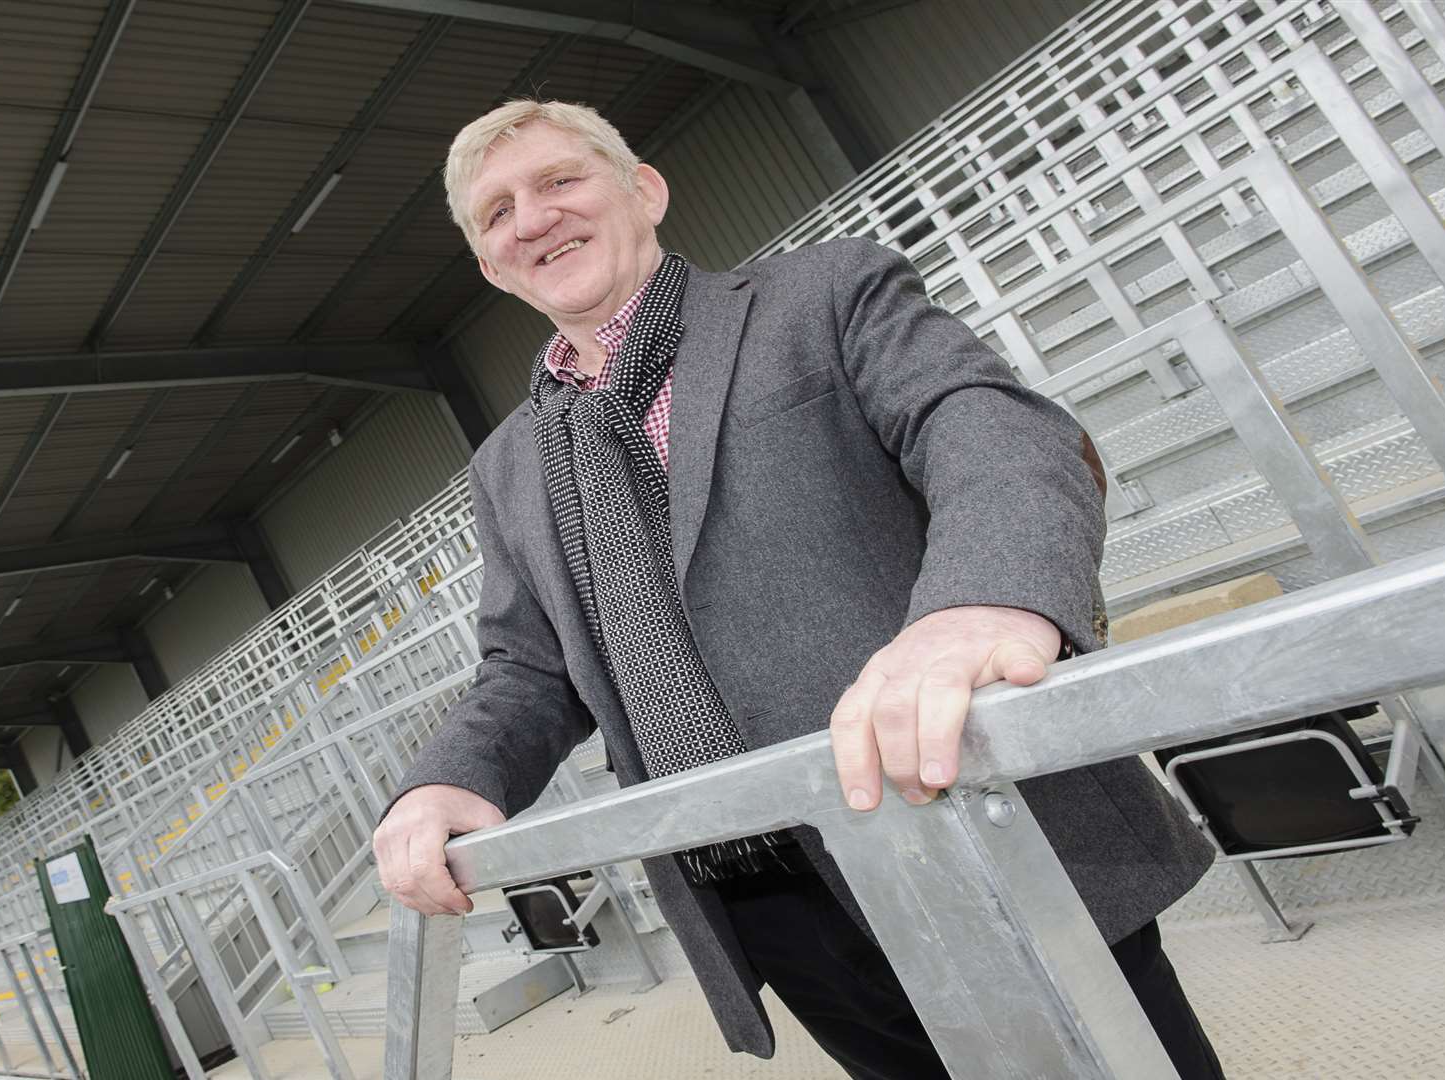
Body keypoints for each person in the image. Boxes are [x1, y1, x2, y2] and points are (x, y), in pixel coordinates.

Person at [371, 99, 1225, 1080]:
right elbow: (526, 668)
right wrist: (448, 777)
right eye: (497, 213)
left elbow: (987, 428)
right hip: (771, 900)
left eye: (561, 180)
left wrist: (976, 605)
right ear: (491, 264)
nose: (531, 217)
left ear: (642, 192)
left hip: (955, 817)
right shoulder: (510, 464)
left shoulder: (824, 293)